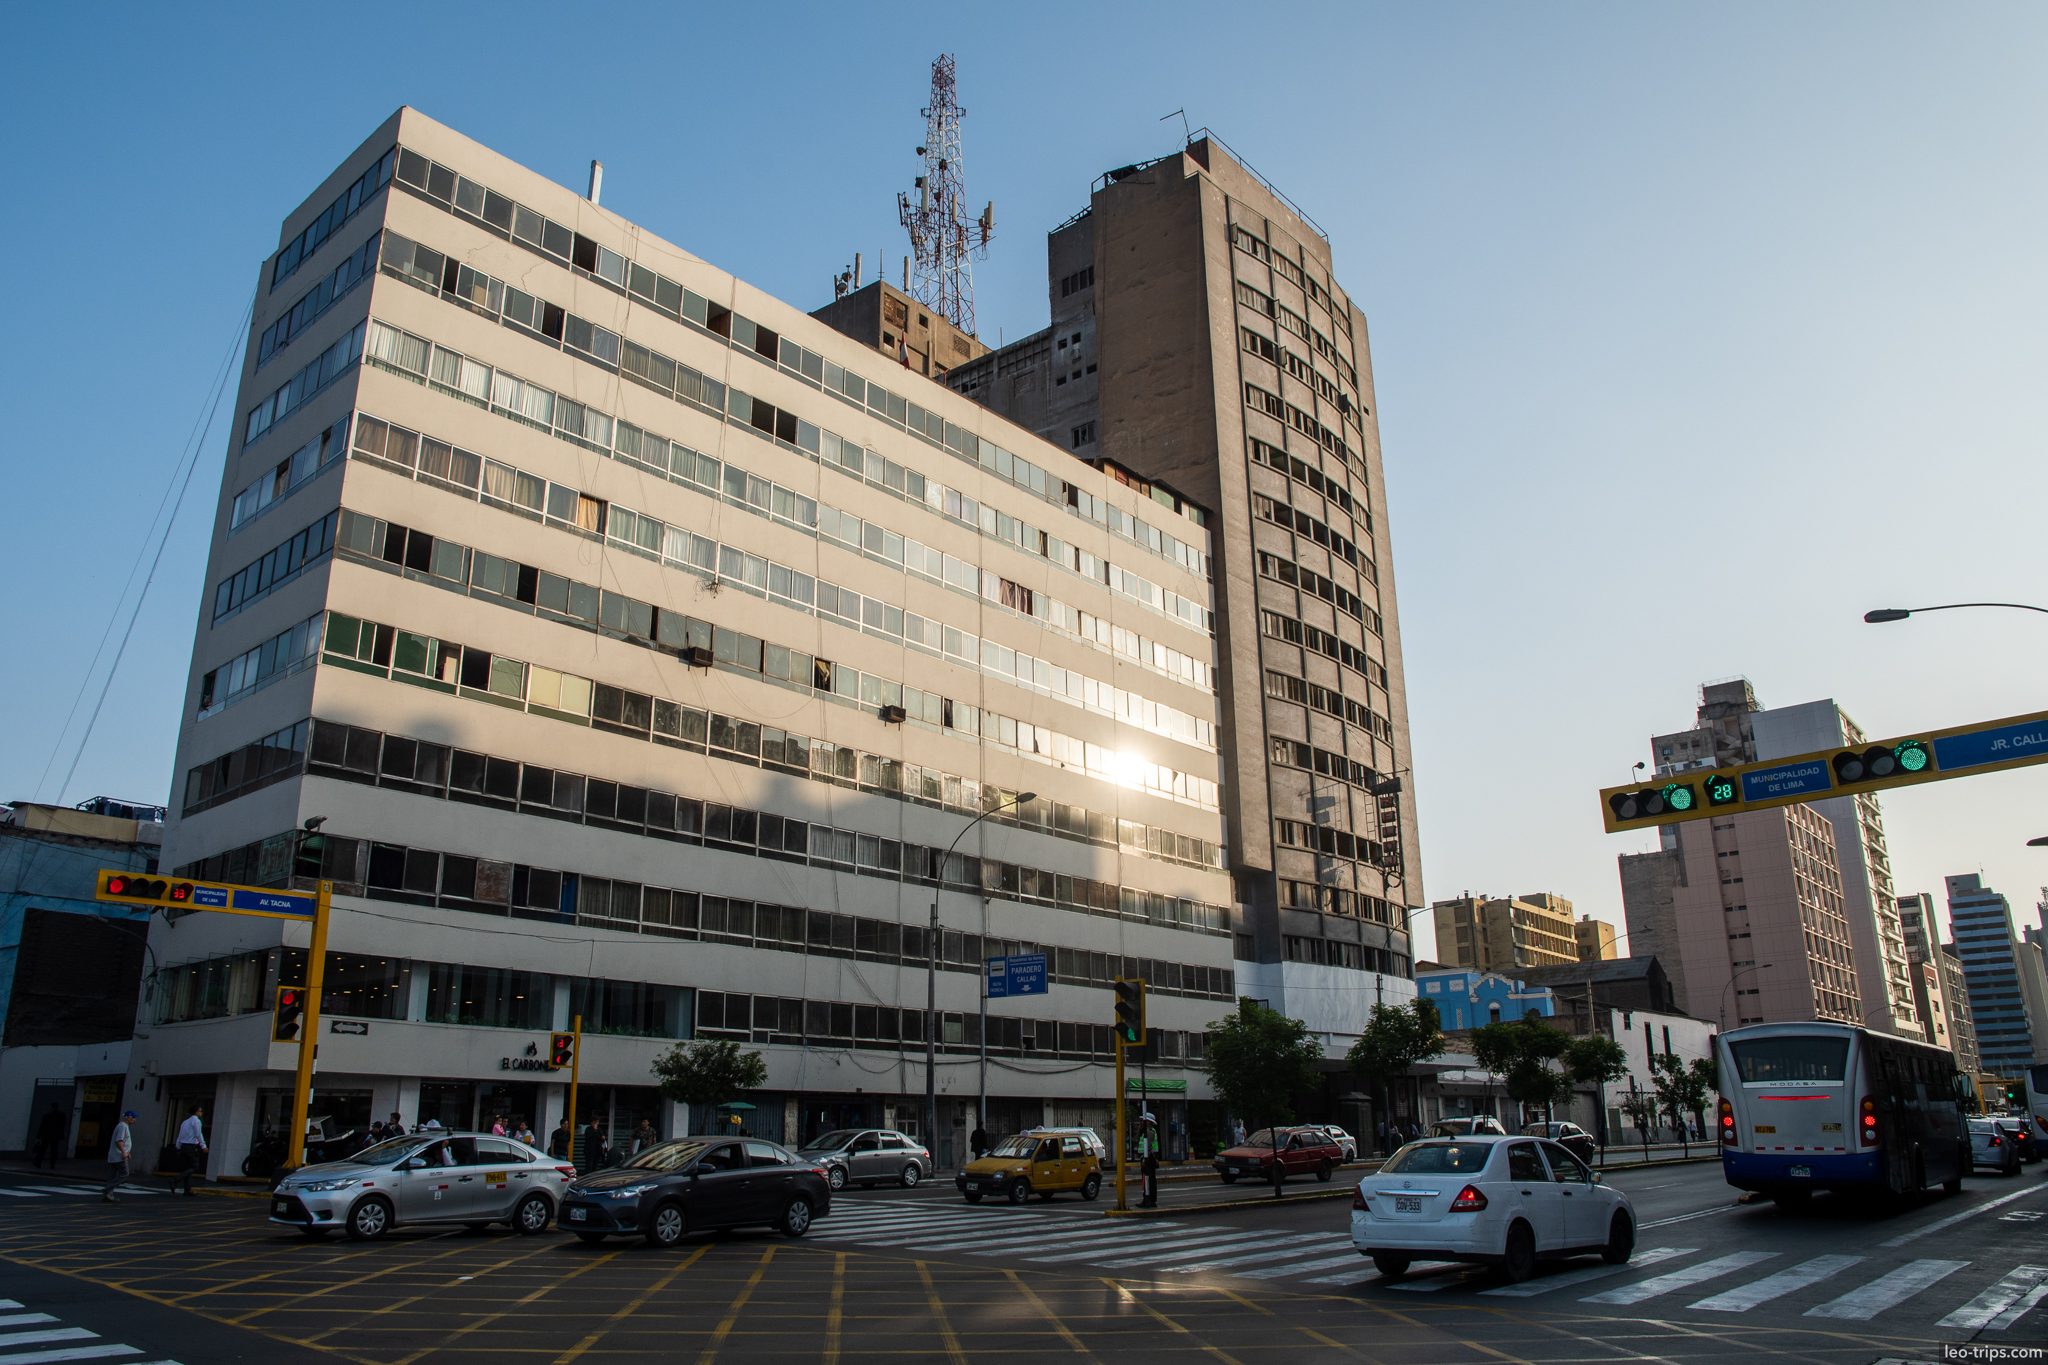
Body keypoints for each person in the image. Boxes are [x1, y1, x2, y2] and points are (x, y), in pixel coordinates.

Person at [173, 1104, 207, 1195]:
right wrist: (203, 1146)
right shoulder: (196, 1121)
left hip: (183, 1146)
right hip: (191, 1146)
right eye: (200, 1111)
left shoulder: (185, 1122)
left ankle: (187, 1189)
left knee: (187, 1167)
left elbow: (180, 1135)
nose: (201, 1113)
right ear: (196, 1112)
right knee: (194, 1167)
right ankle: (176, 1179)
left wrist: (178, 1147)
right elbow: (198, 1134)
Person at [102, 1110, 136, 1202]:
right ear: (128, 1117)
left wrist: (127, 1152)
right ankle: (108, 1189)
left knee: (112, 1175)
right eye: (133, 1118)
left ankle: (108, 1195)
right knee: (124, 1173)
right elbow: (119, 1141)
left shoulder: (122, 1126)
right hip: (119, 1156)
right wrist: (124, 1152)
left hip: (115, 1155)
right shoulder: (123, 1126)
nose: (134, 1120)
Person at [31, 1103, 67, 1169]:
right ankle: (52, 1164)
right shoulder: (62, 1115)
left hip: (46, 1135)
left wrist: (38, 1137)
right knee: (54, 1150)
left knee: (42, 1149)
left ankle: (38, 1162)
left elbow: (42, 1126)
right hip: (56, 1135)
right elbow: (63, 1125)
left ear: (51, 1107)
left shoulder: (47, 1115)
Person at [1138, 1115, 1161, 1208]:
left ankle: (1150, 1200)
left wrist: (1144, 1159)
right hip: (1147, 1157)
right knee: (1146, 1179)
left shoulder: (1149, 1132)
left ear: (1149, 1122)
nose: (1142, 1122)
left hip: (1149, 1158)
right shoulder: (1145, 1131)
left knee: (1149, 1179)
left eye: (1144, 1121)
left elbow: (1148, 1147)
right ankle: (1146, 1198)